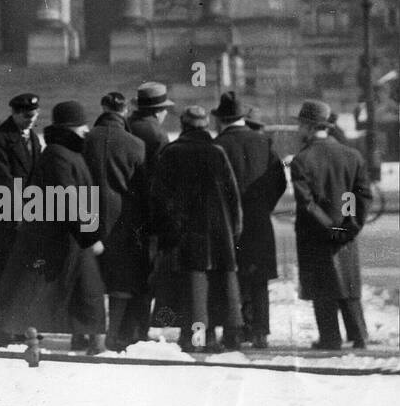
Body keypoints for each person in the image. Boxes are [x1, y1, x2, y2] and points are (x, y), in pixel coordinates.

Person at [0, 101, 107, 354]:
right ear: (70, 129)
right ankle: (2, 334)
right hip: (58, 236)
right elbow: (67, 196)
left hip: (70, 234)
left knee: (85, 290)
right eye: (81, 126)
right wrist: (90, 235)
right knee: (29, 289)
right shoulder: (57, 154)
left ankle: (94, 342)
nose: (86, 130)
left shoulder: (67, 152)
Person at [151, 105, 243, 352]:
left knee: (191, 290)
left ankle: (192, 340)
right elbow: (233, 198)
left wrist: (166, 231)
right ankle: (209, 338)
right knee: (214, 287)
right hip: (218, 234)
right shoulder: (217, 152)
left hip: (183, 234)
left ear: (183, 125)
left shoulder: (171, 153)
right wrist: (233, 230)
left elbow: (159, 197)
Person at [290, 99, 371, 350]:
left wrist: (329, 229)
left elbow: (308, 203)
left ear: (309, 126)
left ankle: (330, 337)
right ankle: (358, 335)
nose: (298, 130)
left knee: (323, 288)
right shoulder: (352, 156)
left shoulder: (302, 160)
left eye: (301, 125)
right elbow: (361, 196)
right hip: (346, 234)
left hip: (316, 236)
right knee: (348, 284)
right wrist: (348, 227)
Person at [212, 91, 286, 348]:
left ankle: (233, 331)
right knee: (258, 279)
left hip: (228, 222)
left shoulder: (218, 145)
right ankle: (260, 332)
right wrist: (264, 206)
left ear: (221, 119)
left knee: (231, 277)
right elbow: (279, 181)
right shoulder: (263, 142)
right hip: (259, 220)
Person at [83, 91, 150, 351]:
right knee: (120, 281)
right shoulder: (136, 144)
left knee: (91, 279)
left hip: (87, 216)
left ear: (102, 107)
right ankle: (114, 333)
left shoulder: (86, 140)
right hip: (123, 221)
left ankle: (90, 335)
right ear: (124, 111)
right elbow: (142, 189)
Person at [0, 92, 42, 331]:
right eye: (27, 116)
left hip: (26, 216)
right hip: (6, 218)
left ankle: (22, 325)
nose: (31, 120)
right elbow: (2, 182)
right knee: (7, 273)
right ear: (15, 114)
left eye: (34, 116)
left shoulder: (33, 138)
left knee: (24, 274)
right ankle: (5, 329)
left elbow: (36, 174)